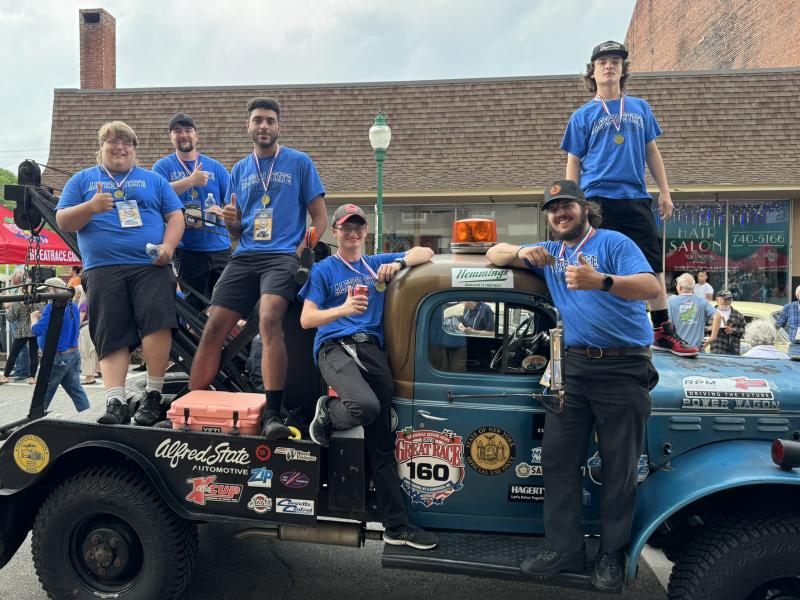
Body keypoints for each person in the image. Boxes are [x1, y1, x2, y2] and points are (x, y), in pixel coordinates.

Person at [487, 180, 660, 592]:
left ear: (585, 208)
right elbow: (493, 253)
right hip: (574, 367)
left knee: (619, 468)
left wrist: (601, 281)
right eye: (552, 208)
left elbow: (652, 287)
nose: (559, 213)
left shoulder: (614, 242)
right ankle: (565, 548)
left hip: (624, 365)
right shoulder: (551, 252)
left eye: (566, 205)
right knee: (558, 460)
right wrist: (520, 252)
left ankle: (611, 554)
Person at [299, 203, 438, 551]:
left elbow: (426, 253)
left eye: (358, 227)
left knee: (382, 443)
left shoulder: (375, 263)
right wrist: (343, 309)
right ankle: (328, 411)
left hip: (372, 351)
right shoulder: (324, 270)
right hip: (334, 348)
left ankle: (396, 526)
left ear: (365, 232)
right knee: (366, 407)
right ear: (335, 232)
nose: (352, 233)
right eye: (346, 227)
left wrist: (399, 263)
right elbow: (306, 319)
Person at [188, 97, 328, 439]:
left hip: (282, 256)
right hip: (245, 255)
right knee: (213, 326)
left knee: (268, 318)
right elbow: (238, 230)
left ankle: (274, 414)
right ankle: (189, 408)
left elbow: (320, 218)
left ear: (278, 126)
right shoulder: (239, 170)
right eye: (257, 120)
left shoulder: (299, 162)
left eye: (269, 120)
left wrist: (301, 251)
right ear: (248, 126)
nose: (263, 125)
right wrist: (232, 222)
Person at [561, 40, 697, 357]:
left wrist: (664, 191)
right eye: (603, 62)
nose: (609, 66)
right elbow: (573, 161)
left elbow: (652, 151)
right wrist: (574, 201)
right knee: (598, 262)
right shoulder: (582, 115)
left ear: (623, 70)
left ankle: (661, 329)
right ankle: (601, 326)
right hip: (596, 197)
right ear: (592, 72)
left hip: (635, 195)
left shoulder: (640, 107)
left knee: (651, 263)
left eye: (616, 62)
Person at [55, 120, 185, 426]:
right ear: (101, 147)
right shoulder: (82, 180)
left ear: (134, 149)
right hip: (103, 268)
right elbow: (63, 221)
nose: (120, 147)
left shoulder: (153, 180)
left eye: (127, 142)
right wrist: (90, 207)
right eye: (113, 141)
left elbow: (175, 216)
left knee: (157, 324)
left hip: (150, 265)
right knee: (110, 331)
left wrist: (168, 247)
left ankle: (153, 395)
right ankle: (116, 400)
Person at [152, 113, 231, 310]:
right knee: (196, 308)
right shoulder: (162, 167)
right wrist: (190, 181)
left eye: (188, 130)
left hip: (220, 247)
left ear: (197, 135)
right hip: (187, 250)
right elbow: (156, 195)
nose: (183, 135)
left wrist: (223, 212)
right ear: (170, 137)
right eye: (177, 131)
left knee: (226, 307)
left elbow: (235, 203)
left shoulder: (216, 167)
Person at [30, 277, 91, 412]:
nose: (45, 295)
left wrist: (33, 319)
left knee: (43, 393)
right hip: (73, 354)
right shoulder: (72, 305)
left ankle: (35, 419)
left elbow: (37, 330)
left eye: (47, 291)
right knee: (77, 391)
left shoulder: (52, 307)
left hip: (57, 357)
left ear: (54, 290)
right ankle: (88, 415)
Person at [0, 268, 44, 385]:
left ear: (22, 289)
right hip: (34, 329)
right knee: (33, 354)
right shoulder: (38, 301)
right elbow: (42, 313)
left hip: (21, 331)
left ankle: (5, 376)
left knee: (14, 353)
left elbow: (11, 318)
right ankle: (32, 378)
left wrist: (8, 308)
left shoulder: (18, 302)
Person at [666, 273, 715, 352]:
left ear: (680, 287)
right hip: (697, 350)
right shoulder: (702, 301)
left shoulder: (671, 301)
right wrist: (712, 337)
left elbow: (668, 324)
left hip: (679, 349)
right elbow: (717, 316)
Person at [73, 285, 99, 384]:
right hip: (90, 328)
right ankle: (91, 374)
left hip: (84, 329)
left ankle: (90, 376)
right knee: (90, 353)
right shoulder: (90, 302)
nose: (75, 295)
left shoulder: (83, 304)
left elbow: (79, 321)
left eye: (76, 293)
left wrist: (74, 331)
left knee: (86, 353)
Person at [708, 290, 745, 355]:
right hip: (715, 350)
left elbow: (744, 332)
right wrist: (711, 328)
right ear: (717, 299)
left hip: (732, 352)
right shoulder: (709, 314)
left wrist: (732, 330)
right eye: (724, 299)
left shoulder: (738, 315)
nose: (727, 301)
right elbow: (700, 329)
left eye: (729, 299)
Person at [775, 285, 800, 358]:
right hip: (796, 347)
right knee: (792, 364)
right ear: (798, 296)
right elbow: (777, 325)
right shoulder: (789, 307)